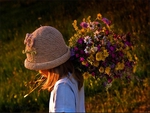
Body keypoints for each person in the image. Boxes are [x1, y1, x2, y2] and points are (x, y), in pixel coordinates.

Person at [23, 26, 85, 112]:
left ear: (48, 66)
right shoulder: (72, 77)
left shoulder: (62, 87)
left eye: (39, 66)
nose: (38, 70)